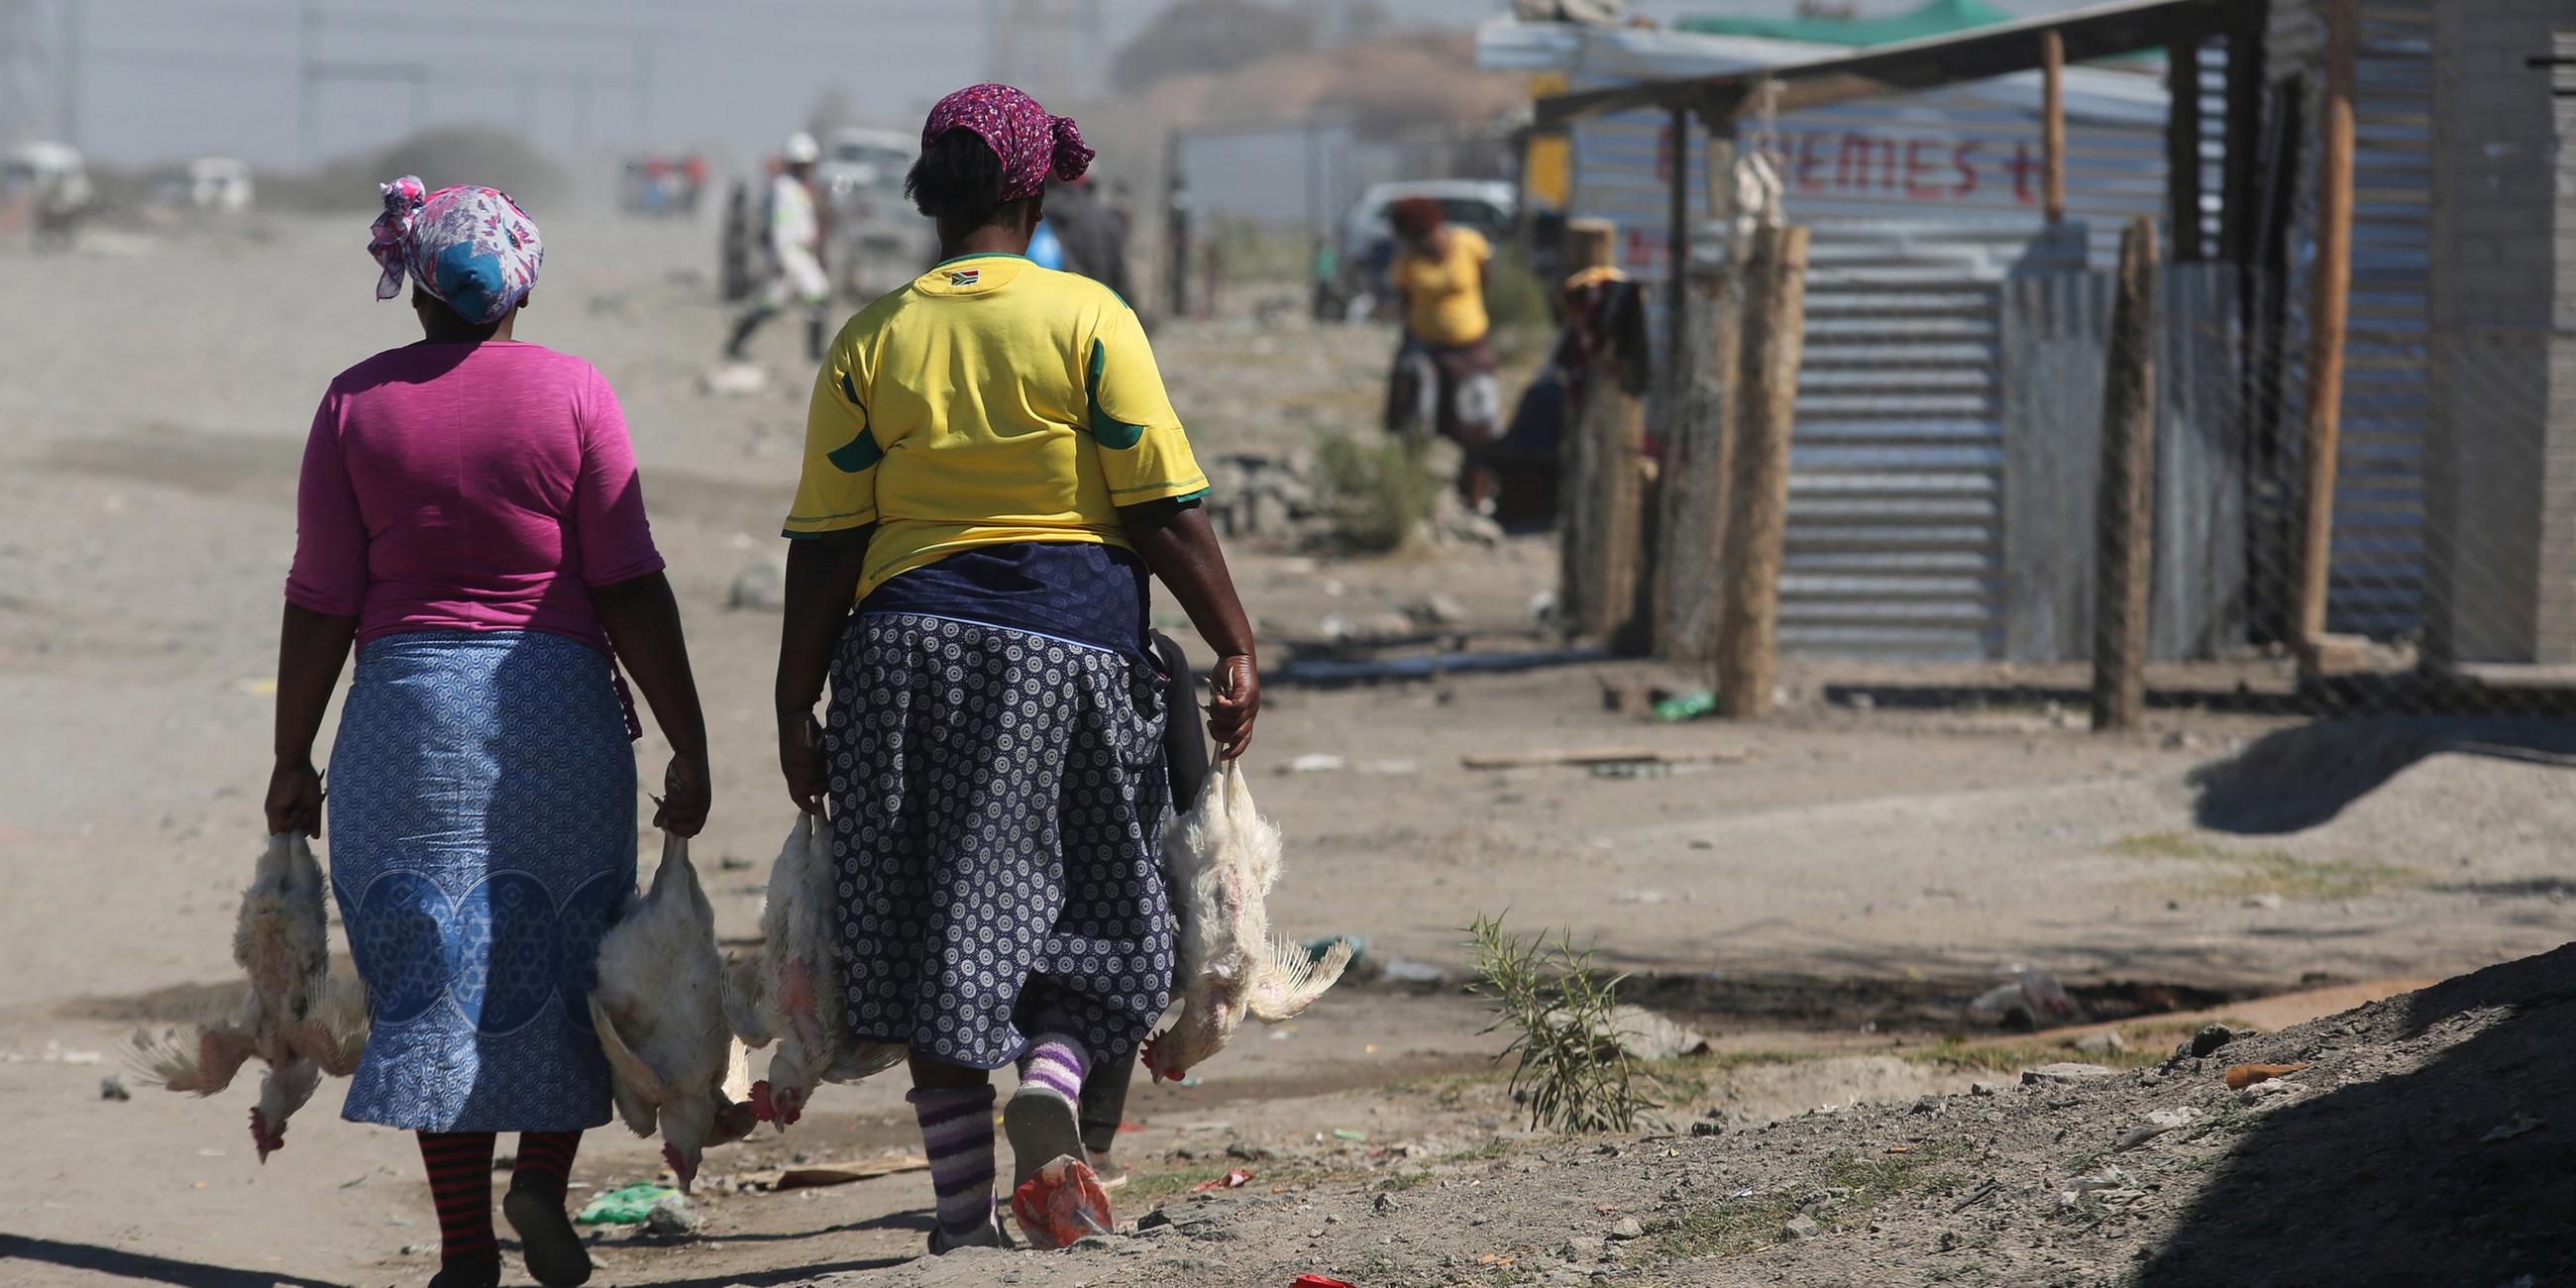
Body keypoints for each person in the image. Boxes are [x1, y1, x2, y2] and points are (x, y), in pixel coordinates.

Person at [773, 82, 1259, 1254]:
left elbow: (826, 544)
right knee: (1102, 901)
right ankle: (1050, 1068)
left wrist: (795, 700)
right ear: (1032, 192)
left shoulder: (872, 338)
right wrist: (1234, 637)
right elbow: (1160, 509)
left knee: (934, 920)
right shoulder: (1086, 319)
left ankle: (956, 1220)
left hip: (902, 656)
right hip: (1068, 647)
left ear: (926, 195)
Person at [268, 176, 711, 1288]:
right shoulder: (574, 392)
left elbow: (322, 597)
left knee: (428, 968)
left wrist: (290, 756)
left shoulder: (354, 405)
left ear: (414, 290)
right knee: (559, 956)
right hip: (553, 713)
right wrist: (687, 736)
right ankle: (540, 1186)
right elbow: (627, 581)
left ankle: (466, 1248)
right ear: (521, 288)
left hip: (404, 723)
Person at [1382, 196, 1503, 511]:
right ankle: (1413, 495)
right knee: (1417, 420)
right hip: (1427, 348)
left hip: (1471, 348)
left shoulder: (1469, 244)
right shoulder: (1408, 264)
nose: (1421, 244)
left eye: (1422, 237)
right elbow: (1407, 304)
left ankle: (1476, 493)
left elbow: (1486, 281)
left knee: (1478, 422)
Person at [726, 132, 833, 363]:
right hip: (790, 254)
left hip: (801, 254)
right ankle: (814, 351)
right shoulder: (784, 189)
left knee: (782, 300)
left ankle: (735, 343)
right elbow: (781, 227)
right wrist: (784, 261)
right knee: (811, 293)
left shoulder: (800, 188)